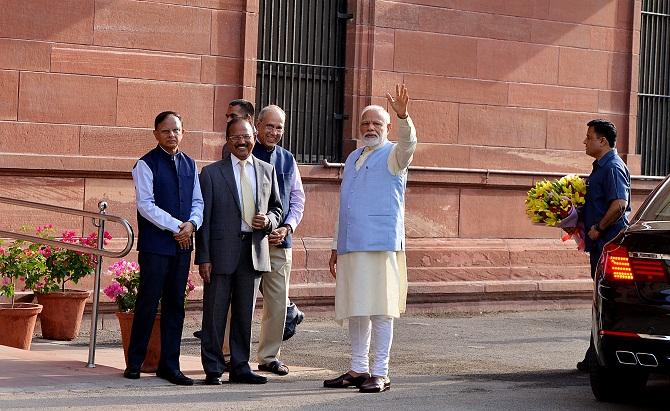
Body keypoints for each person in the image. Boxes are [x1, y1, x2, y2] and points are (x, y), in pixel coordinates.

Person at [324, 84, 416, 393]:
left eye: (377, 123)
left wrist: (403, 115)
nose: (370, 128)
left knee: (380, 308)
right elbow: (345, 204)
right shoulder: (352, 158)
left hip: (380, 243)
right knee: (357, 307)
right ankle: (358, 369)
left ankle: (380, 372)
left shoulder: (393, 154)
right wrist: (337, 245)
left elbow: (409, 143)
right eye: (365, 123)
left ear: (388, 128)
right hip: (351, 245)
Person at [196, 117, 282, 385]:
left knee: (245, 313)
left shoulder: (267, 170)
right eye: (235, 137)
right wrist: (204, 257)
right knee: (214, 313)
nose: (242, 141)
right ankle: (213, 367)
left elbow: (278, 209)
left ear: (254, 136)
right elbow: (204, 220)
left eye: (246, 136)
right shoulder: (211, 173)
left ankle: (241, 366)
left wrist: (268, 221)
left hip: (253, 251)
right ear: (228, 140)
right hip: (220, 254)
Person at [125, 111, 204, 386]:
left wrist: (192, 224)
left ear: (183, 132)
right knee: (147, 303)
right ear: (156, 133)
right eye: (166, 130)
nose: (172, 135)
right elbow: (146, 205)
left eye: (177, 130)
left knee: (175, 305)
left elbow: (198, 201)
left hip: (183, 245)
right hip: (156, 246)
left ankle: (170, 366)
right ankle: (135, 362)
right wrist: (177, 227)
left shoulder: (191, 164)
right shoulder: (145, 164)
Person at [253, 105, 305, 376]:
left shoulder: (288, 159)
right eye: (269, 126)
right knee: (239, 302)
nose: (274, 132)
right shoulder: (244, 152)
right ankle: (229, 354)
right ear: (257, 125)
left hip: (279, 242)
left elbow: (297, 199)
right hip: (248, 242)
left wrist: (287, 227)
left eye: (279, 127)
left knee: (277, 302)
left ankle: (269, 356)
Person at [576, 119, 631, 372]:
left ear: (603, 141)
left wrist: (598, 228)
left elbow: (619, 203)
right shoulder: (600, 167)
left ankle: (599, 357)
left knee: (605, 297)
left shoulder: (612, 167)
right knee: (600, 298)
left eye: (589, 137)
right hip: (599, 244)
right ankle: (593, 355)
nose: (585, 141)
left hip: (609, 244)